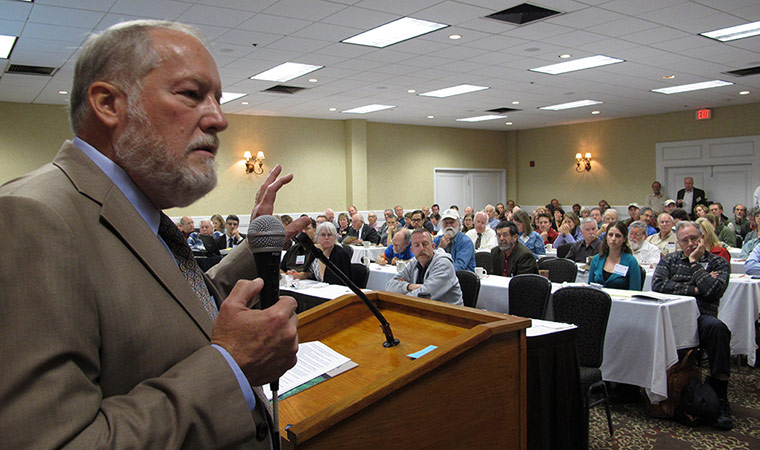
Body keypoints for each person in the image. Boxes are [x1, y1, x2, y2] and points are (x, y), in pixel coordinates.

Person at [0, 20, 306, 449]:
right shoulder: (31, 217)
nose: (219, 119)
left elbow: (171, 304)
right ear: (109, 103)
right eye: (191, 94)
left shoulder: (138, 209)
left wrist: (256, 247)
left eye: (218, 99)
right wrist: (230, 367)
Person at [651, 221, 733, 430]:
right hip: (671, 318)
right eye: (685, 240)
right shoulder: (669, 260)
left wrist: (695, 263)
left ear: (702, 238)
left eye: (694, 238)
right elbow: (659, 285)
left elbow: (714, 290)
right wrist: (696, 289)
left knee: (718, 329)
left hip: (701, 316)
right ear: (678, 243)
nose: (690, 243)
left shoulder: (717, 262)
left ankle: (720, 395)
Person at [385, 229, 464, 305]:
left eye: (425, 244)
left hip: (449, 314)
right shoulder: (414, 263)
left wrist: (400, 294)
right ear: (412, 250)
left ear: (433, 247)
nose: (422, 248)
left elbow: (424, 295)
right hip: (423, 310)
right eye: (417, 245)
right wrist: (409, 286)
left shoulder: (444, 264)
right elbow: (389, 286)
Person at [588, 221, 642, 290]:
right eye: (610, 235)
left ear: (624, 239)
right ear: (606, 237)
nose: (613, 239)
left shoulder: (631, 262)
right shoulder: (596, 259)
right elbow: (589, 289)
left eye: (618, 236)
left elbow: (635, 291)